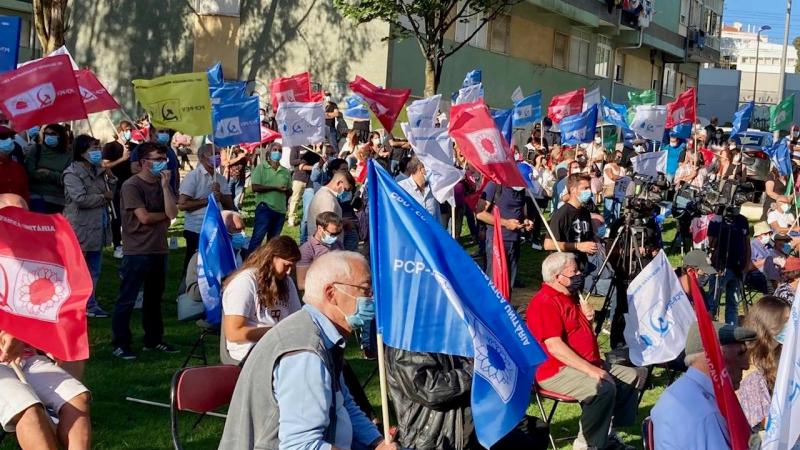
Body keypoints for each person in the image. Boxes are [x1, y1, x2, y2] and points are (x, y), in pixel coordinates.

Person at [218, 251, 394, 450]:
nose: (371, 297)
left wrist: (377, 442)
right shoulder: (304, 352)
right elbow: (302, 446)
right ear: (331, 294)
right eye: (365, 289)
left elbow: (343, 403)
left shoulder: (323, 335)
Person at [0, 193, 92, 450]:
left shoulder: (35, 263)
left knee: (79, 399)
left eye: (25, 215)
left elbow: (57, 322)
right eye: (11, 217)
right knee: (29, 409)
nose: (20, 222)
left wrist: (28, 336)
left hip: (26, 357)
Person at [526, 252, 642, 450]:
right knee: (602, 389)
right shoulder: (544, 302)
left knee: (633, 375)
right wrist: (591, 370)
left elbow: (578, 335)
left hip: (585, 363)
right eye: (574, 271)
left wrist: (589, 320)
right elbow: (555, 346)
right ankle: (586, 444)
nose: (579, 274)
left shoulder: (569, 297)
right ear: (557, 277)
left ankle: (606, 433)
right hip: (554, 370)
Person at [386, 347, 549, 450]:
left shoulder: (446, 331)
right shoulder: (407, 341)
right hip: (437, 436)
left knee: (536, 429)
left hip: (472, 421)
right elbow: (430, 390)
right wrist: (479, 371)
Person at [112, 142, 179, 360]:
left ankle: (154, 339)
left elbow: (173, 212)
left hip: (159, 249)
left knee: (153, 299)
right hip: (137, 251)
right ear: (143, 162)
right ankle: (120, 343)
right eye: (156, 159)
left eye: (163, 159)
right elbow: (145, 217)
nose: (161, 163)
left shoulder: (163, 184)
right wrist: (165, 216)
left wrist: (165, 187)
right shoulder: (131, 186)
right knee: (127, 299)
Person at [651, 321, 755, 449]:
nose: (746, 365)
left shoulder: (675, 392)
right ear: (713, 358)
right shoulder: (707, 414)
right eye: (740, 354)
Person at [222, 236, 302, 362]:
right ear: (271, 258)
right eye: (286, 265)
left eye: (292, 267)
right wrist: (276, 333)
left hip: (280, 344)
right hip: (249, 349)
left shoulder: (287, 282)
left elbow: (296, 319)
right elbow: (233, 333)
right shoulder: (245, 282)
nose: (288, 272)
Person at [63, 135, 115, 318]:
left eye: (98, 148)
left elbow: (110, 193)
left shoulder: (98, 170)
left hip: (98, 225)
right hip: (81, 226)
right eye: (93, 148)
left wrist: (111, 179)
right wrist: (103, 198)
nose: (97, 152)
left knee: (94, 268)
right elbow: (80, 199)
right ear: (82, 151)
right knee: (79, 268)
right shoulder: (72, 173)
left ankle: (90, 302)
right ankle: (76, 304)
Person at [177, 144, 233, 276]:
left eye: (218, 154)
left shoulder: (220, 178)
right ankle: (186, 290)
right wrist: (209, 200)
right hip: (197, 228)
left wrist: (220, 195)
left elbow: (229, 205)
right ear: (202, 157)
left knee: (213, 265)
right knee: (193, 265)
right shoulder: (194, 176)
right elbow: (182, 205)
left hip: (216, 228)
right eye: (213, 154)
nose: (217, 157)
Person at [737, 296, 791, 429]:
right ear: (768, 325)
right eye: (785, 321)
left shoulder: (779, 351)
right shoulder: (752, 374)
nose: (791, 327)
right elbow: (767, 426)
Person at [182, 210, 246, 319]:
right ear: (222, 233)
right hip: (217, 311)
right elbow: (194, 293)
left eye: (243, 229)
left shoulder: (247, 255)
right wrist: (226, 284)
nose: (242, 234)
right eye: (237, 230)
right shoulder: (201, 259)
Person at [477, 178, 534, 292]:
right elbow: (480, 214)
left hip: (514, 240)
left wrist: (525, 221)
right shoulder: (495, 185)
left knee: (509, 282)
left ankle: (507, 306)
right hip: (497, 240)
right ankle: (493, 308)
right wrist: (506, 223)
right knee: (495, 281)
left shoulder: (521, 190)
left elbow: (519, 212)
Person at [545, 174, 597, 270]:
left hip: (582, 264)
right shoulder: (561, 214)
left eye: (589, 188)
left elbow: (586, 236)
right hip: (565, 267)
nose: (589, 192)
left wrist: (591, 245)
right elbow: (548, 244)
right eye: (585, 188)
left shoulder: (585, 212)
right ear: (573, 190)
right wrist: (577, 246)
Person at [708, 209, 751, 324]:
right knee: (713, 302)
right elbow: (711, 242)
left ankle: (731, 329)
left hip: (738, 268)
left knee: (733, 303)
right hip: (721, 267)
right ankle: (709, 329)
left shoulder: (743, 220)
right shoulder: (717, 220)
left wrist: (747, 263)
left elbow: (747, 243)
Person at [248, 143, 292, 254]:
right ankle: (249, 262)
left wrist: (286, 191)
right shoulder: (261, 168)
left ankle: (269, 263)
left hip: (280, 210)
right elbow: (255, 187)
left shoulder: (285, 171)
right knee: (257, 238)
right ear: (269, 152)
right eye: (275, 150)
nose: (277, 152)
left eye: (280, 150)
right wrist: (275, 188)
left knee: (273, 242)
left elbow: (290, 190)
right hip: (265, 208)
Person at [102, 121, 136, 259]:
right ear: (119, 131)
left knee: (132, 213)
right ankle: (117, 244)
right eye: (126, 130)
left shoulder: (134, 147)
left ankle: (131, 242)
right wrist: (122, 159)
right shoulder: (110, 147)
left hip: (132, 185)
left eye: (130, 130)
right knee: (117, 216)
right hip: (116, 185)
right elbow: (105, 164)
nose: (128, 132)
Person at [25, 123, 71, 214]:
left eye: (53, 134)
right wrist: (57, 176)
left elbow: (68, 179)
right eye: (46, 134)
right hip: (37, 198)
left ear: (60, 136)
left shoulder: (68, 156)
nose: (49, 137)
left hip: (58, 200)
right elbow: (30, 173)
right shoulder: (36, 149)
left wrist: (48, 173)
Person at [297, 211, 344, 289]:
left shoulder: (338, 244)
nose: (334, 237)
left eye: (337, 234)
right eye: (332, 234)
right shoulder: (306, 250)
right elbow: (301, 284)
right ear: (320, 228)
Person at [306, 170, 354, 241]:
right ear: (339, 183)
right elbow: (329, 226)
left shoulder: (324, 194)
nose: (347, 193)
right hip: (324, 245)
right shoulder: (327, 198)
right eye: (346, 189)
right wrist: (345, 223)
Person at [398, 157, 441, 223]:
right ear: (421, 169)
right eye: (430, 169)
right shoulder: (401, 187)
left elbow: (437, 216)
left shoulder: (432, 188)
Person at [287, 145, 316, 227]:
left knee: (309, 200)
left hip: (310, 179)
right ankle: (291, 219)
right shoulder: (296, 147)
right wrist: (303, 160)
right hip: (299, 177)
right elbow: (292, 161)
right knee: (295, 199)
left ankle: (308, 218)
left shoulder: (311, 147)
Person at [749, 221, 778, 293]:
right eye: (765, 234)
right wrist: (767, 260)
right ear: (758, 235)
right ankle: (774, 299)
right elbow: (750, 267)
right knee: (773, 281)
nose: (768, 235)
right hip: (756, 274)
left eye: (769, 233)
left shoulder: (769, 245)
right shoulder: (752, 246)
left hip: (772, 272)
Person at [0, 128, 28, 200]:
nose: (9, 140)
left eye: (12, 137)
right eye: (4, 137)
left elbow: (25, 194)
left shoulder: (18, 168)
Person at [221, 146, 249, 210]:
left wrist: (246, 154)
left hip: (240, 178)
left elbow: (248, 162)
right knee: (229, 197)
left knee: (237, 198)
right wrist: (238, 158)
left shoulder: (242, 151)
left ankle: (236, 212)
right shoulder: (226, 150)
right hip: (229, 178)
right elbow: (224, 163)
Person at [602, 151, 625, 227]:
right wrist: (620, 178)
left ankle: (615, 230)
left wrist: (617, 177)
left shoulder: (622, 168)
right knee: (608, 212)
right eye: (618, 156)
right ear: (614, 156)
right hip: (609, 190)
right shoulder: (607, 166)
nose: (619, 158)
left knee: (617, 214)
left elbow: (624, 180)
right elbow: (611, 176)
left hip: (619, 192)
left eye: (621, 157)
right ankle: (606, 228)